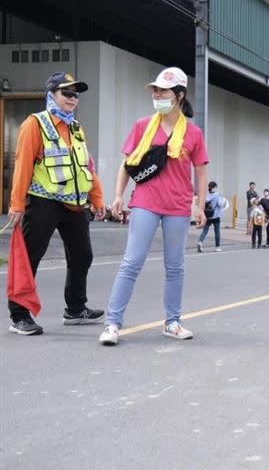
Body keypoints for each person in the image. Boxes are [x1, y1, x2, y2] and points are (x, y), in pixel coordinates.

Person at [98, 66, 209, 346]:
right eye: (155, 90)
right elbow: (128, 163)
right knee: (131, 262)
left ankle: (172, 322)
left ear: (179, 95)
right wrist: (119, 195)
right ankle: (112, 324)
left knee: (175, 266)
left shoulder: (193, 133)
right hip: (145, 202)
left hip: (178, 206)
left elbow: (201, 173)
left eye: (163, 90)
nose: (157, 94)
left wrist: (200, 206)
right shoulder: (142, 126)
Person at [7, 72, 106, 335]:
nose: (73, 99)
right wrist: (17, 204)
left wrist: (97, 198)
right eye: (67, 93)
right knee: (30, 258)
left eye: (76, 94)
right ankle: (18, 315)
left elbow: (87, 165)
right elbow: (23, 165)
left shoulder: (76, 128)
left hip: (74, 205)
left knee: (83, 255)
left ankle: (75, 309)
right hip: (42, 202)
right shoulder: (34, 124)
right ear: (51, 94)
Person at [197, 181, 224, 252]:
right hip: (215, 216)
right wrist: (222, 200)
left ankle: (200, 242)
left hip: (207, 215)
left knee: (205, 231)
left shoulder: (206, 195)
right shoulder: (217, 195)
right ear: (214, 187)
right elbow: (220, 204)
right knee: (217, 231)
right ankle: (217, 247)